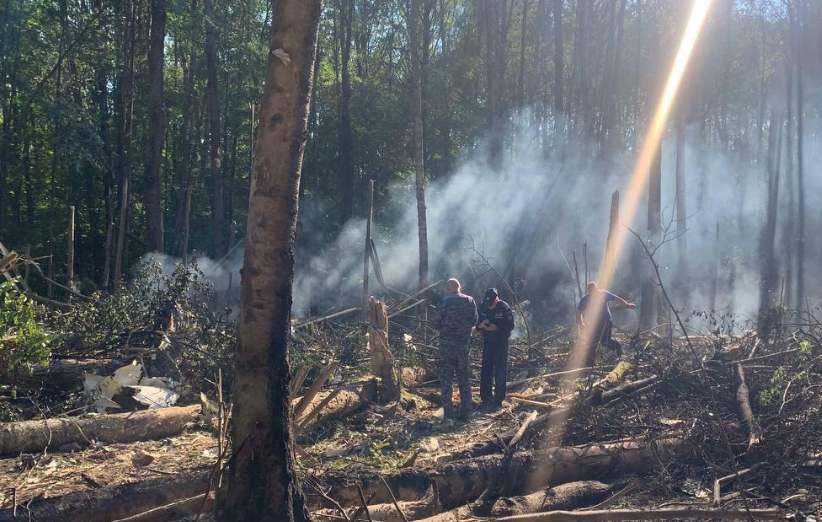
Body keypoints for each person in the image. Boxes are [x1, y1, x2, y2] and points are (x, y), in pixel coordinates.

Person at [430, 278, 478, 421]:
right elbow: (475, 321)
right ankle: (467, 411)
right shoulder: (470, 301)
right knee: (464, 378)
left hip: (447, 346)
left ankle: (448, 413)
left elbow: (435, 323)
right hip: (463, 345)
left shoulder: (444, 302)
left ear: (448, 288)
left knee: (446, 379)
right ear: (459, 287)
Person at [576, 282, 636, 365]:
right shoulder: (585, 299)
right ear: (588, 291)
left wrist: (628, 305)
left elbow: (617, 298)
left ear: (596, 289)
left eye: (593, 291)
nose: (592, 293)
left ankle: (619, 350)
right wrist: (581, 323)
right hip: (594, 323)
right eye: (590, 291)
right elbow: (579, 312)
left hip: (606, 320)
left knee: (605, 341)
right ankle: (589, 365)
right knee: (592, 342)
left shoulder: (603, 294)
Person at [477, 288, 515, 409]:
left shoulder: (504, 307)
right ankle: (485, 397)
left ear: (497, 299)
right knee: (486, 370)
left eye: (492, 304)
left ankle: (498, 400)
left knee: (500, 371)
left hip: (500, 343)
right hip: (487, 342)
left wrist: (496, 327)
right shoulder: (483, 306)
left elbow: (510, 326)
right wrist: (481, 325)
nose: (490, 306)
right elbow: (476, 325)